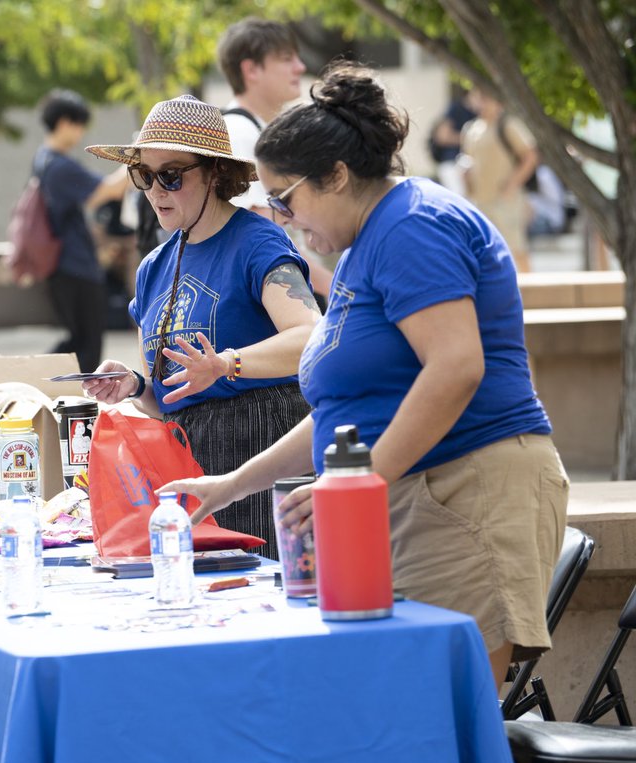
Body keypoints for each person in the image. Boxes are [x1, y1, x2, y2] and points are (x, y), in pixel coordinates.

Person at [162, 64, 568, 689]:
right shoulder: (362, 244)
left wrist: (358, 485)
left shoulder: (412, 225)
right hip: (414, 496)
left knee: (445, 730)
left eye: (285, 198)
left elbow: (457, 367)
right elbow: (342, 409)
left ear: (338, 176)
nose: (282, 217)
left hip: (467, 490)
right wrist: (232, 485)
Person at [82, 95, 320, 555]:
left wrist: (227, 363)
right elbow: (168, 398)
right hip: (188, 470)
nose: (155, 191)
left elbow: (313, 334)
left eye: (170, 175)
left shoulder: (257, 241)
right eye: (144, 176)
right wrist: (133, 385)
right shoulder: (153, 267)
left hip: (261, 458)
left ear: (214, 172)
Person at [215, 18, 333, 300]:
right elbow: (263, 236)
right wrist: (340, 290)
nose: (300, 67)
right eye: (286, 58)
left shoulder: (256, 131)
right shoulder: (238, 132)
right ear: (251, 69)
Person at [34, 88, 129, 372]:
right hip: (74, 265)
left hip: (62, 265)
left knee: (79, 339)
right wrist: (137, 158)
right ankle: (38, 378)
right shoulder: (59, 165)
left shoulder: (42, 160)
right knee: (87, 343)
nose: (80, 132)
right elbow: (107, 190)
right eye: (78, 124)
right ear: (64, 122)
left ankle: (37, 378)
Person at [460, 87, 538, 272]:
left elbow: (530, 156)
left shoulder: (508, 125)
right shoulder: (471, 130)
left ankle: (530, 294)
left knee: (516, 250)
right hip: (480, 201)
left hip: (506, 200)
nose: (481, 102)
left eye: (486, 97)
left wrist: (512, 184)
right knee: (485, 253)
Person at [427, 90, 476, 196]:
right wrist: (469, 139)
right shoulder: (456, 109)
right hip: (451, 162)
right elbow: (442, 136)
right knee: (460, 197)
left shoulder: (479, 113)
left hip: (469, 163)